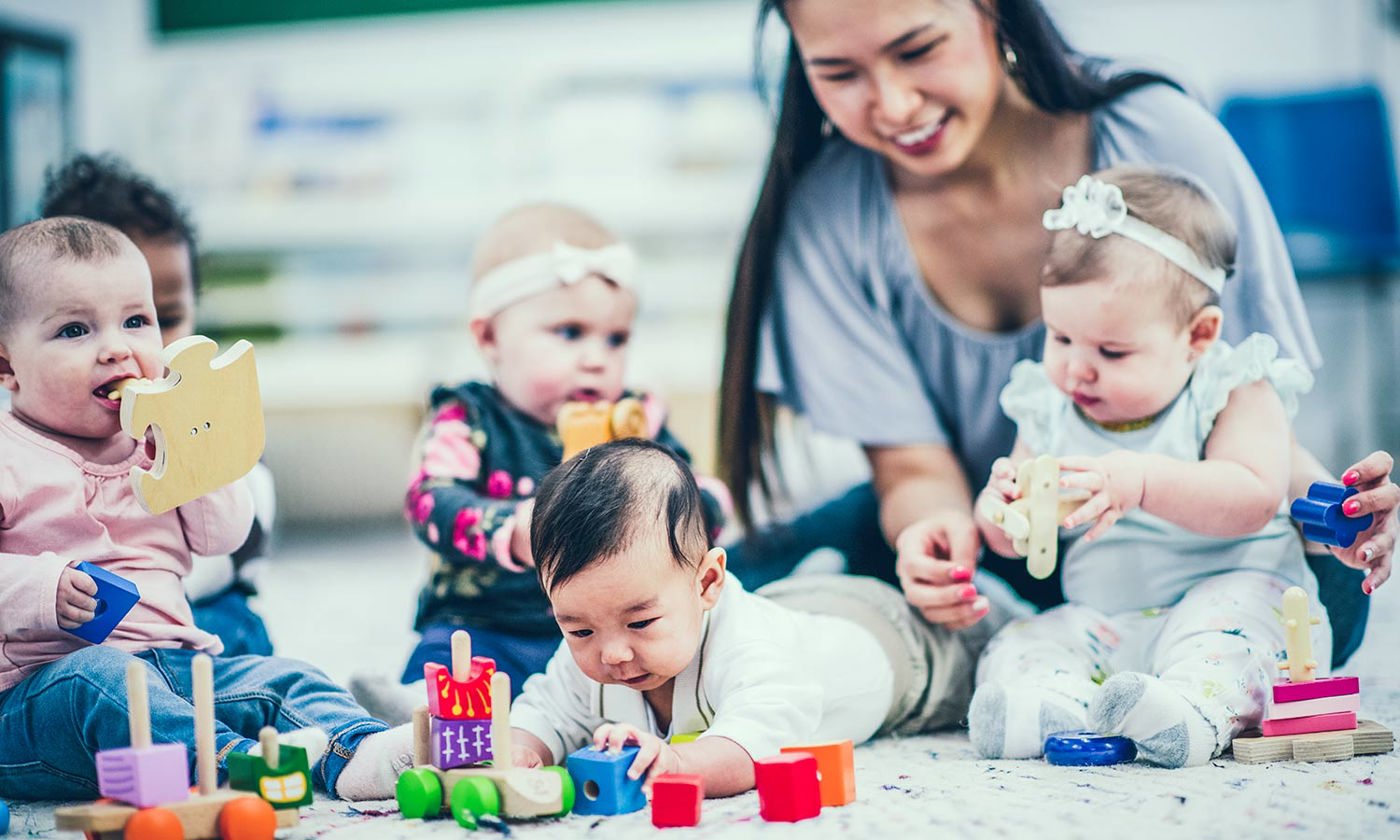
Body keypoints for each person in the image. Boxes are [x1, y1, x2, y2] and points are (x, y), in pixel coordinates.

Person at [719, 0, 1396, 665]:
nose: (893, 105)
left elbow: (1252, 422)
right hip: (1015, 553)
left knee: (1317, 592)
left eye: (918, 49)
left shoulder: (1163, 141)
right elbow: (914, 471)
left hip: (1208, 544)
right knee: (727, 587)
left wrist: (1332, 511)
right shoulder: (832, 215)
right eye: (839, 73)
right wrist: (941, 538)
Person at [0, 218, 411, 801]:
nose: (117, 347)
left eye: (137, 322)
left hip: (174, 665)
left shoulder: (155, 440)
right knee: (100, 679)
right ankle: (232, 761)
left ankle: (358, 753)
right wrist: (41, 588)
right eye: (74, 330)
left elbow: (222, 535)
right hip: (38, 702)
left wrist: (192, 456)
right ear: (6, 366)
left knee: (278, 677)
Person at [967, 166, 1341, 767]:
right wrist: (998, 513)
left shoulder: (1233, 386)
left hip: (1232, 598)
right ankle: (1048, 705)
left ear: (1198, 336)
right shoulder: (1047, 405)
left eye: (1111, 351)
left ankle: (1192, 714)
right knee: (1028, 640)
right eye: (1060, 338)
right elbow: (1015, 538)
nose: (1076, 370)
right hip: (1106, 622)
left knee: (1233, 641)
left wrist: (1141, 480)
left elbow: (1252, 495)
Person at [355, 203, 729, 721]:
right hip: (492, 620)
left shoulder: (635, 421)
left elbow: (691, 492)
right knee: (454, 659)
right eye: (570, 333)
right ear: (490, 338)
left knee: (686, 640)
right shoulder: (468, 416)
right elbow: (429, 500)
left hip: (614, 632)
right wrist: (509, 529)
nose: (598, 358)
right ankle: (422, 709)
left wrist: (702, 504)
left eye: (615, 338)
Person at [508, 438, 1021, 796]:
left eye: (640, 623)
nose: (611, 652)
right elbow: (545, 711)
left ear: (707, 583)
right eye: (578, 629)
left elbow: (751, 748)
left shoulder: (751, 651)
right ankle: (825, 572)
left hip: (896, 646)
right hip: (795, 605)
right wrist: (518, 750)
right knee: (791, 603)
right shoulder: (599, 640)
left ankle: (1002, 607)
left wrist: (680, 764)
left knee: (981, 647)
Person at [38, 153, 277, 658]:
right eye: (79, 328)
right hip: (77, 639)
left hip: (201, 613)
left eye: (154, 319)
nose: (123, 351)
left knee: (243, 642)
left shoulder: (201, 421)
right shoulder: (34, 438)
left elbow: (238, 536)